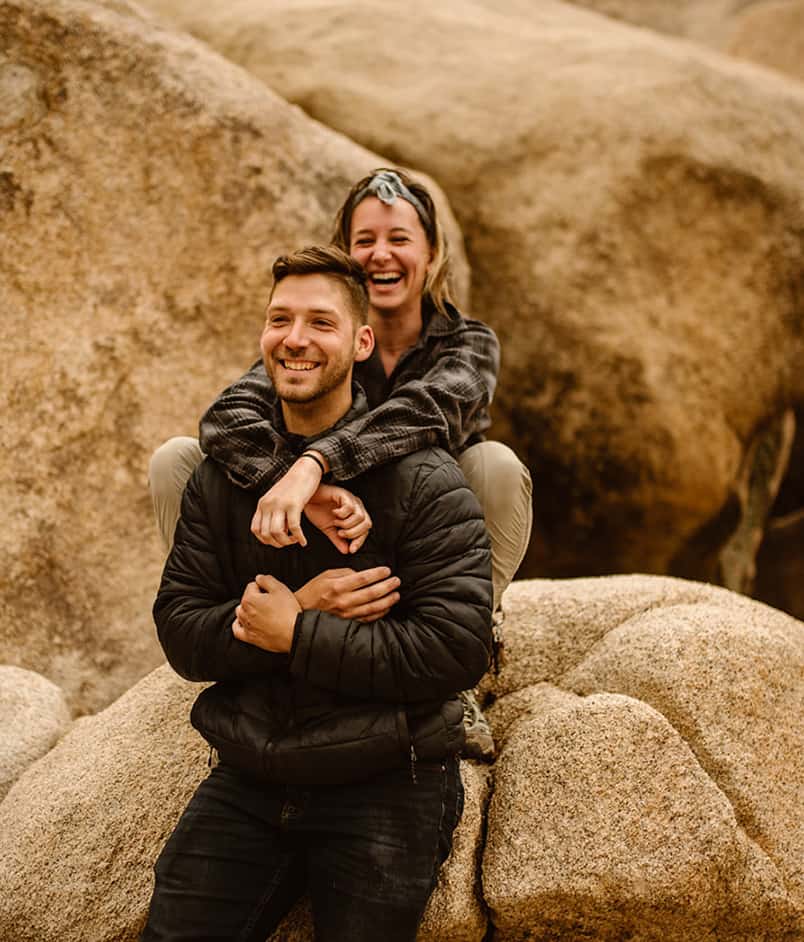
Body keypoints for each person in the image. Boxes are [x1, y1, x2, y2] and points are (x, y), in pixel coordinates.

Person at [141, 246, 493, 941]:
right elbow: (181, 629)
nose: (295, 338)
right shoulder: (222, 478)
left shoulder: (422, 479)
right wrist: (294, 613)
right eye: (280, 319)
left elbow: (455, 651)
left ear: (363, 342)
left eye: (320, 323)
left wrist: (297, 636)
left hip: (389, 780)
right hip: (249, 776)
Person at [149, 168, 532, 759]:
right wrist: (298, 481)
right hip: (308, 547)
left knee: (496, 466)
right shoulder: (314, 338)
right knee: (179, 460)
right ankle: (247, 633)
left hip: (414, 550)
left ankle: (463, 666)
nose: (381, 253)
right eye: (365, 239)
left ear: (431, 255)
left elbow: (423, 412)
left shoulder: (467, 343)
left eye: (399, 238)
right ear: (349, 255)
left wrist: (313, 466)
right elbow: (227, 419)